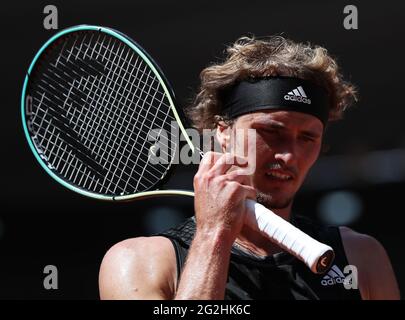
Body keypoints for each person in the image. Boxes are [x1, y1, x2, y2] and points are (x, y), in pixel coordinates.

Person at [98, 36, 400, 300]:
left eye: (308, 137)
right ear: (223, 132)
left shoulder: (361, 258)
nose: (289, 155)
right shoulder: (136, 262)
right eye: (271, 132)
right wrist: (214, 233)